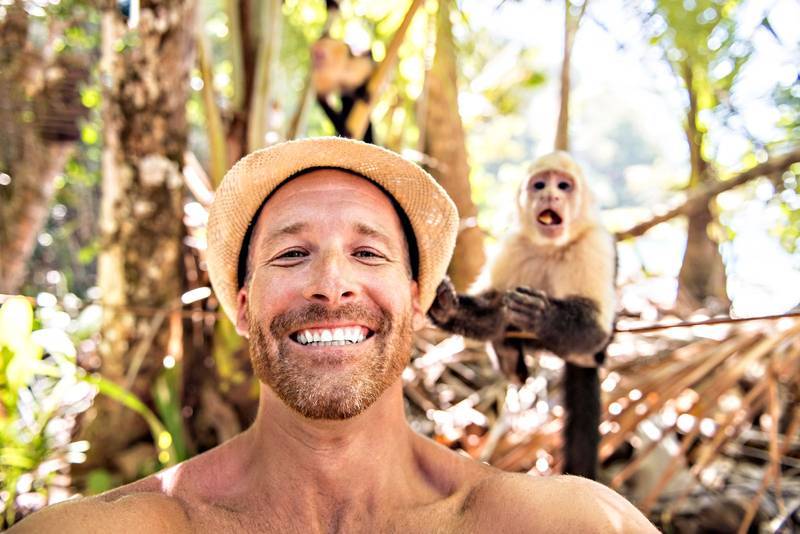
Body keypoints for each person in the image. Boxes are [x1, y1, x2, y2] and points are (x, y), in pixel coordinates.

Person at [11, 137, 657, 533]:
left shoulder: (573, 523)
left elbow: (586, 331)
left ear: (418, 300)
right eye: (291, 254)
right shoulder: (126, 524)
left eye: (368, 254)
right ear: (242, 307)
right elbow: (486, 313)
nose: (331, 285)